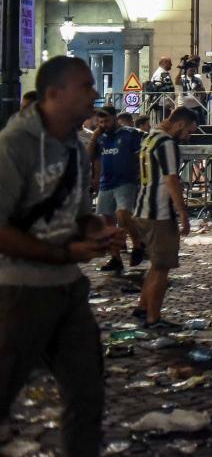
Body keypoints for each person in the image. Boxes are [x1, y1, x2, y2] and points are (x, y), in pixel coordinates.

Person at [0, 56, 120, 457]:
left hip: (68, 289)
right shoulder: (14, 145)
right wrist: (63, 252)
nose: (94, 94)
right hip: (19, 293)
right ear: (54, 94)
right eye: (85, 86)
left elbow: (78, 215)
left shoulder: (74, 145)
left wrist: (96, 231)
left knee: (87, 392)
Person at [131, 107, 199, 328]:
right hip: (159, 213)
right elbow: (172, 180)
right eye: (188, 131)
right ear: (179, 124)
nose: (187, 137)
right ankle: (153, 318)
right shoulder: (167, 143)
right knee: (162, 269)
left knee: (155, 265)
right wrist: (183, 213)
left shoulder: (150, 136)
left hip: (142, 208)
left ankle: (143, 306)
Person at [91, 109, 144, 274]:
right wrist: (96, 179)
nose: (103, 125)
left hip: (126, 181)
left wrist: (141, 178)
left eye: (106, 121)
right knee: (107, 222)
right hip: (106, 183)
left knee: (123, 214)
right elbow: (93, 159)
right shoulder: (100, 138)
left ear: (115, 119)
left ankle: (137, 244)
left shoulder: (130, 135)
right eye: (100, 123)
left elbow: (140, 157)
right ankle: (115, 258)